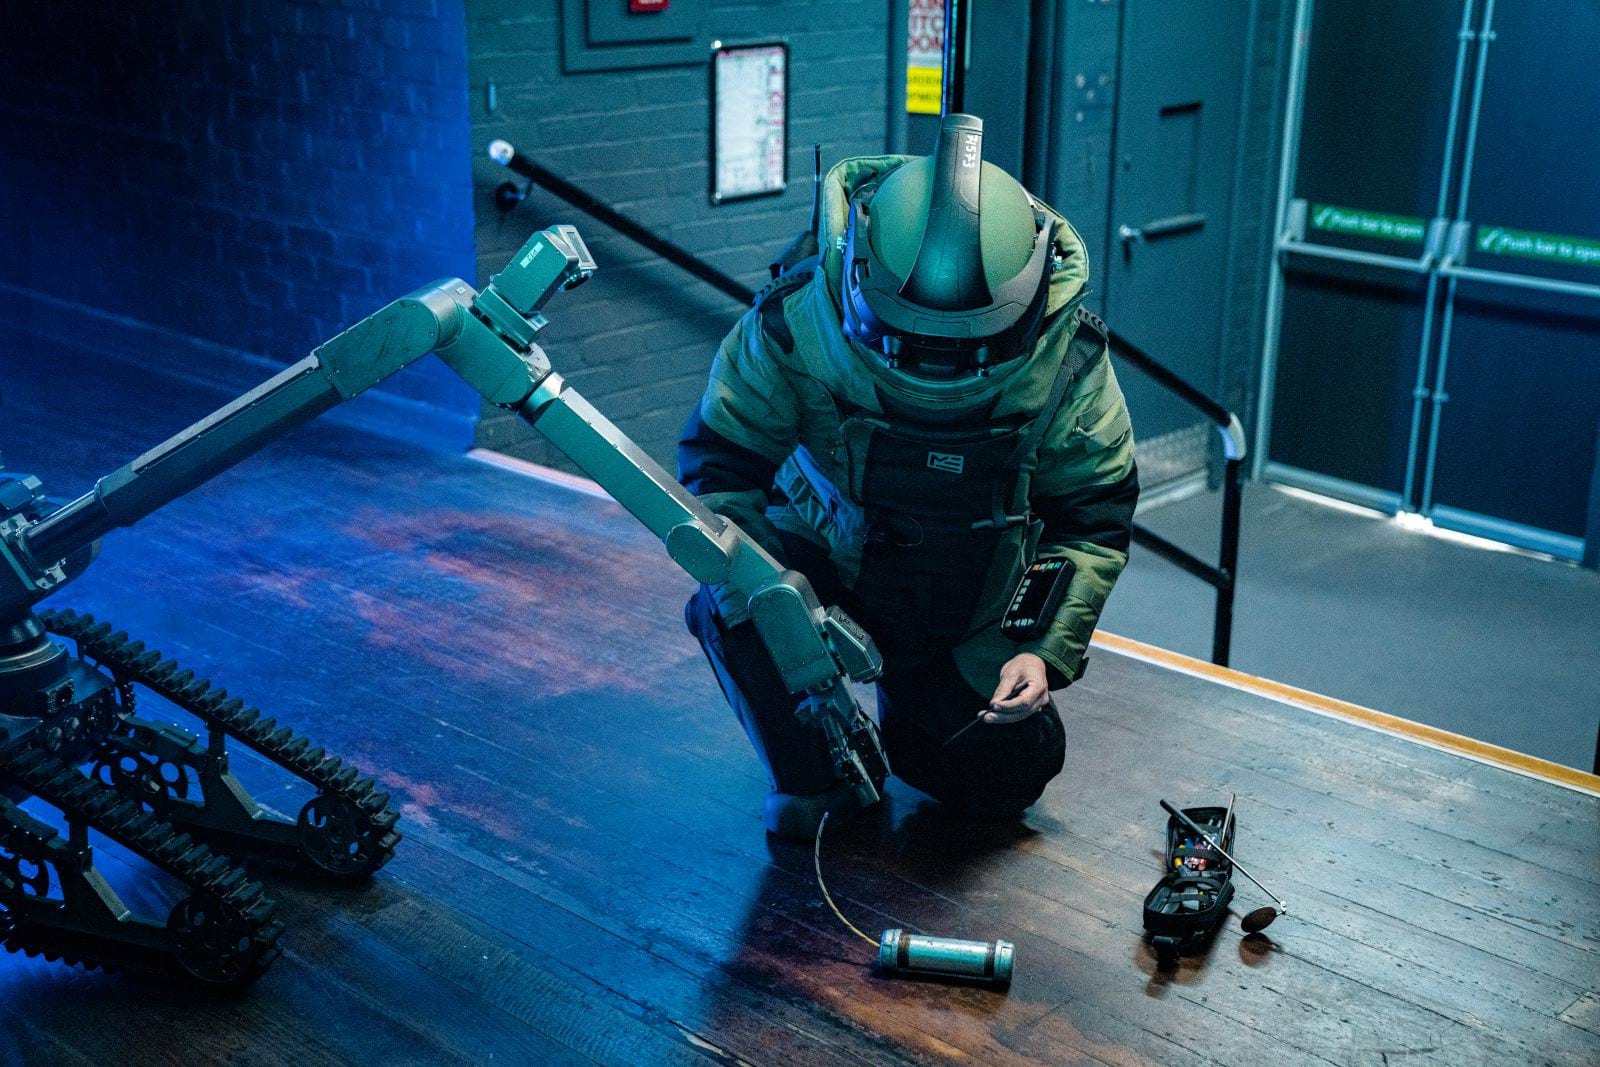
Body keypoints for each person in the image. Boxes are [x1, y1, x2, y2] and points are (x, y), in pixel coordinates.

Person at [680, 113, 1138, 839]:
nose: (938, 367)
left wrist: (1037, 648)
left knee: (998, 781)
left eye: (966, 350)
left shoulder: (1068, 356)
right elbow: (721, 467)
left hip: (970, 601)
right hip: (826, 565)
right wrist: (769, 588)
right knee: (737, 610)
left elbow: (1091, 516)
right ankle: (822, 774)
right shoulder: (793, 322)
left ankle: (916, 714)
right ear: (857, 273)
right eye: (912, 342)